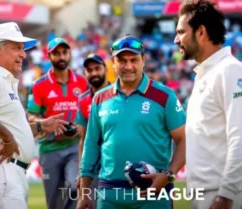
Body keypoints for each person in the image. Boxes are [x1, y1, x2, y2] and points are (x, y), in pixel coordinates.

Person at [0, 22, 68, 209]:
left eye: (23, 49)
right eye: (17, 48)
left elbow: (10, 126)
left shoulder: (0, 78)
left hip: (5, 172)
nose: (23, 54)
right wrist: (8, 138)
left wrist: (40, 126)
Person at [77, 34, 186, 209]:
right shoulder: (99, 98)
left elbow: (184, 139)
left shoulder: (165, 96)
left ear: (143, 60)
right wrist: (84, 193)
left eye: (134, 60)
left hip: (154, 193)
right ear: (113, 62)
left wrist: (168, 175)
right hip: (109, 194)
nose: (128, 66)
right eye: (122, 60)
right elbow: (90, 147)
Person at [175, 0, 242, 209]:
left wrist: (226, 194)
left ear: (201, 33)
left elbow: (240, 136)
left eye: (181, 32)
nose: (176, 40)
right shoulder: (205, 74)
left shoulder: (230, 70)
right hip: (203, 196)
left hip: (223, 198)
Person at [27, 37, 88, 209]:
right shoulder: (39, 85)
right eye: (57, 54)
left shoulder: (82, 82)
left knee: (73, 186)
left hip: (74, 146)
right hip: (49, 148)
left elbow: (88, 113)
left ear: (69, 54)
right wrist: (46, 123)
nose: (61, 57)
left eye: (64, 52)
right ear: (49, 57)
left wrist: (81, 127)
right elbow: (31, 117)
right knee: (54, 202)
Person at [76, 54, 109, 208]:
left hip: (115, 162)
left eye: (97, 68)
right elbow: (83, 140)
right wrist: (81, 172)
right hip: (94, 164)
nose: (94, 73)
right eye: (90, 70)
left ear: (106, 69)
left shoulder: (119, 93)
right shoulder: (83, 100)